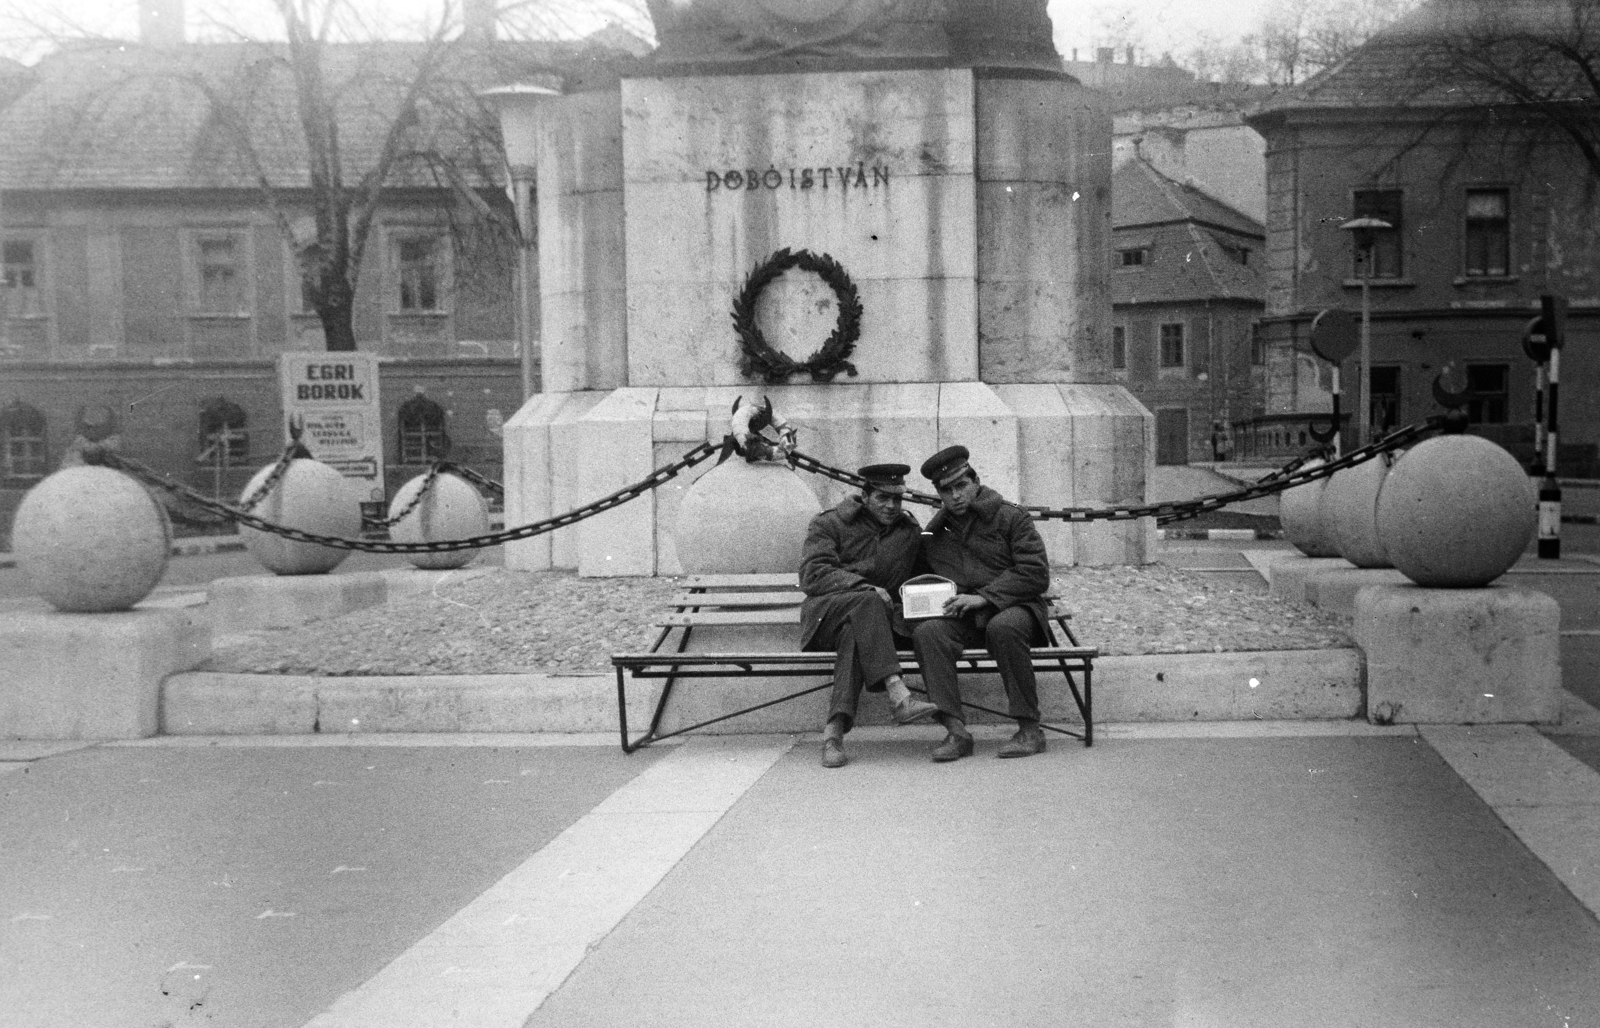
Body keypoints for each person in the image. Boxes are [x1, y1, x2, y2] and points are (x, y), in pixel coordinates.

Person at [911, 445, 1052, 762]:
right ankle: (956, 731)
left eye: (961, 486)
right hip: (966, 618)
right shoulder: (936, 532)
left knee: (1003, 629)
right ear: (939, 494)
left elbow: (1035, 573)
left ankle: (1030, 730)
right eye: (946, 491)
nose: (956, 496)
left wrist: (984, 597)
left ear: (975, 482)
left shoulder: (1010, 517)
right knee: (929, 632)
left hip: (1013, 609)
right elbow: (923, 577)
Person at [799, 463, 941, 768]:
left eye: (897, 499)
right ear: (864, 495)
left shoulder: (908, 532)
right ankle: (897, 692)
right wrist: (865, 586)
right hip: (827, 616)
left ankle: (833, 735)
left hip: (870, 626)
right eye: (882, 498)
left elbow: (921, 577)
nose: (891, 506)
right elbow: (812, 575)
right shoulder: (830, 524)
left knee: (856, 634)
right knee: (866, 600)